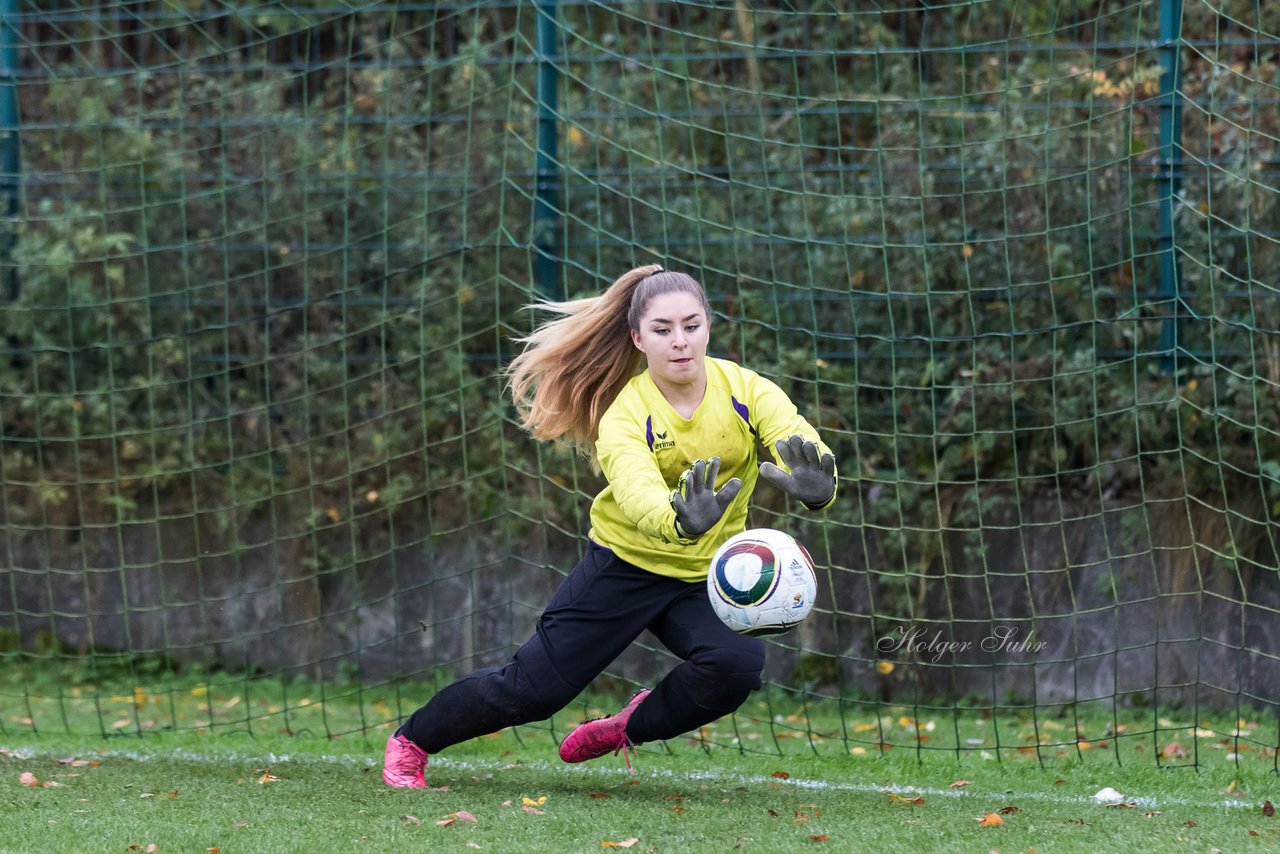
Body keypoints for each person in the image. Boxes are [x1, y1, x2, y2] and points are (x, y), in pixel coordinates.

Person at [383, 264, 837, 787]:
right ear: (638, 337)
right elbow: (638, 491)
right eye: (663, 330)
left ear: (708, 326)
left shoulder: (748, 389)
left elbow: (797, 438)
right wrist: (679, 521)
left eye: (691, 326)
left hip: (704, 578)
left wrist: (821, 486)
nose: (680, 342)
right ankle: (412, 741)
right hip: (624, 565)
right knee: (534, 691)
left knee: (734, 668)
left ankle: (627, 726)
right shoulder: (626, 413)